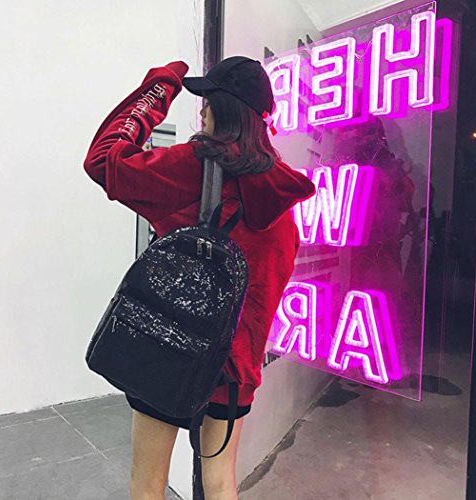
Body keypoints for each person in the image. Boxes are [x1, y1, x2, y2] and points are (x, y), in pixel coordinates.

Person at [83, 56, 315, 500]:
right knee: (221, 481)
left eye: (205, 102)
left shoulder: (191, 167)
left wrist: (160, 87)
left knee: (148, 486)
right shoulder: (282, 197)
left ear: (217, 108)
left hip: (170, 354)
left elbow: (103, 160)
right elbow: (267, 295)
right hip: (236, 370)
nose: (202, 111)